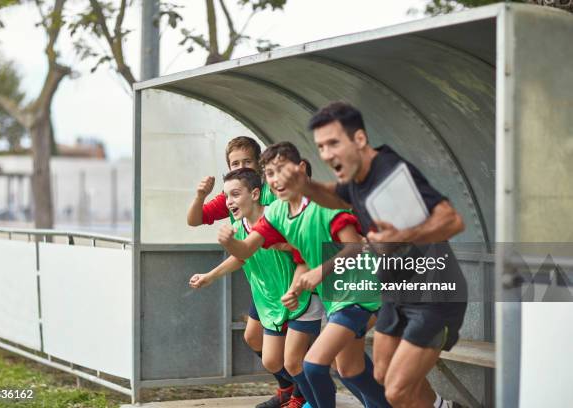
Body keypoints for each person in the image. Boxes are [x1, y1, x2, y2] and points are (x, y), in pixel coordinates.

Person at [280, 101, 467, 408]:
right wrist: (306, 185)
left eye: (333, 143)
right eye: (321, 146)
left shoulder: (391, 172)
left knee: (396, 392)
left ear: (360, 140)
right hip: (396, 291)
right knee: (381, 374)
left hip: (434, 293)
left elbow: (452, 220)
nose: (327, 154)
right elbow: (334, 197)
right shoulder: (356, 179)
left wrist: (402, 236)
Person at [218, 142, 389, 408]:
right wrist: (230, 242)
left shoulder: (325, 203)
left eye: (282, 171)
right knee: (349, 369)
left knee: (313, 363)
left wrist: (318, 272)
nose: (276, 179)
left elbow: (354, 246)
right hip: (335, 296)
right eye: (270, 174)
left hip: (360, 290)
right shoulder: (276, 212)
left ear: (300, 169)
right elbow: (247, 249)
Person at [189, 168, 322, 408]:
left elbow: (306, 246)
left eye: (235, 194)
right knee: (272, 361)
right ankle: (306, 390)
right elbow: (242, 256)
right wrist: (210, 276)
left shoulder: (278, 215)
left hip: (300, 296)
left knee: (293, 362)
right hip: (271, 301)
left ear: (255, 194)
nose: (229, 202)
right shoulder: (240, 227)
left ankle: (315, 399)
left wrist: (288, 247)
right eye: (227, 196)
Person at [185, 137, 288, 408]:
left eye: (248, 162)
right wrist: (200, 195)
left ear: (260, 164)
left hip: (289, 282)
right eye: (235, 163)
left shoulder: (271, 194)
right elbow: (195, 220)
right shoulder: (234, 195)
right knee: (254, 338)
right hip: (263, 283)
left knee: (292, 354)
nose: (242, 167)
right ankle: (290, 389)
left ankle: (301, 394)